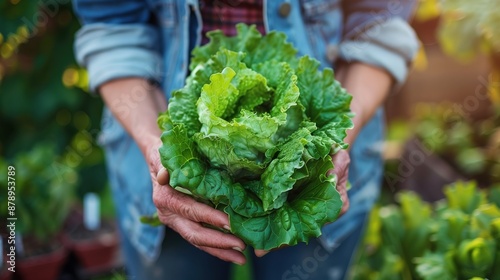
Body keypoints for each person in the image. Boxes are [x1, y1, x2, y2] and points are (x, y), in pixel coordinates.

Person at [73, 0, 418, 279]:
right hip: (154, 132)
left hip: (326, 165)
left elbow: (378, 20)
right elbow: (113, 28)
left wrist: (337, 142)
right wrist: (155, 146)